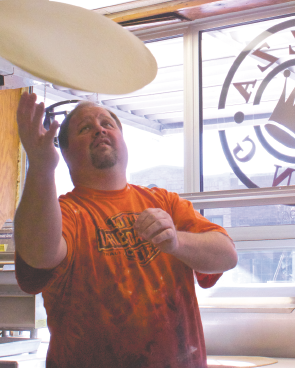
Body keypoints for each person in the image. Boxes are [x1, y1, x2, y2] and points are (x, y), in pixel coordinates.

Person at [14, 92, 238, 368]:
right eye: (85, 128)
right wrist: (40, 167)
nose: (99, 129)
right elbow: (39, 255)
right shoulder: (62, 213)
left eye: (107, 124)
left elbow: (227, 255)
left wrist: (177, 242)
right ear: (66, 151)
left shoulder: (165, 202)